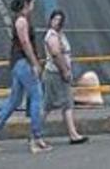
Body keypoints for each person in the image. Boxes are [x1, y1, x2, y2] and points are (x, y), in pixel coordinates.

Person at [0, 0, 51, 154]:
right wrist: (35, 63)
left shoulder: (21, 20)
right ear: (27, 4)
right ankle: (36, 138)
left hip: (18, 63)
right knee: (37, 97)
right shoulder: (21, 21)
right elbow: (25, 43)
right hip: (23, 63)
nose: (34, 7)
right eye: (32, 3)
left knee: (14, 100)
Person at [41, 9, 88, 145]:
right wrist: (65, 71)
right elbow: (56, 54)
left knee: (64, 104)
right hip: (55, 73)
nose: (57, 22)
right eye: (55, 19)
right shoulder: (52, 35)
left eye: (59, 20)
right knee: (51, 105)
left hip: (58, 73)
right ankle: (36, 133)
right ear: (50, 20)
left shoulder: (59, 34)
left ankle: (73, 134)